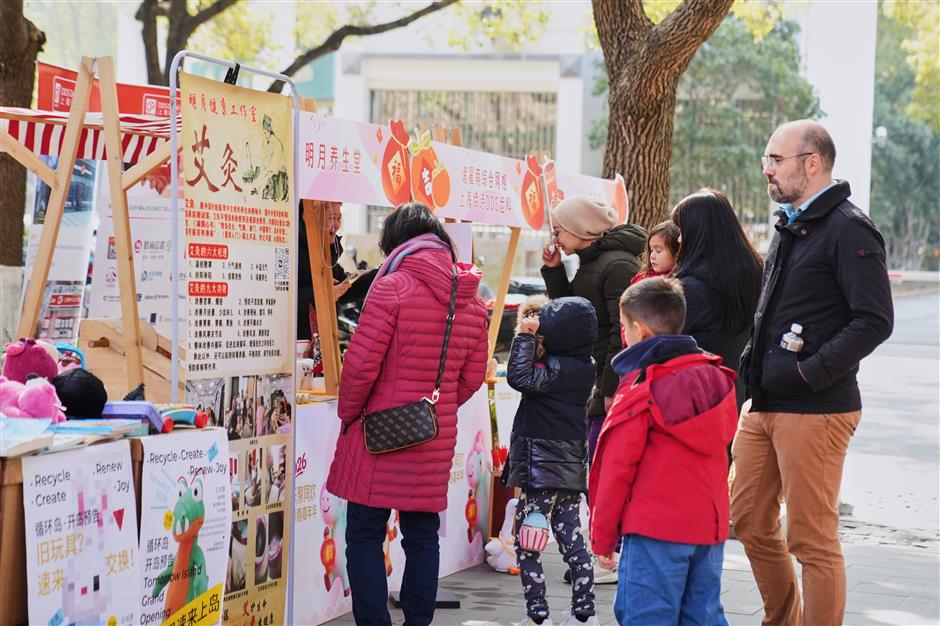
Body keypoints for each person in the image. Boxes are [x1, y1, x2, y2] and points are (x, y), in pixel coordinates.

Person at [732, 120, 894, 626]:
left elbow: (875, 319)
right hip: (764, 404)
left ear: (812, 162)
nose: (766, 169)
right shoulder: (791, 222)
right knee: (749, 521)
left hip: (816, 407)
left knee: (811, 539)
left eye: (775, 159)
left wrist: (810, 373)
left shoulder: (849, 228)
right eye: (767, 158)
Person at [325, 202, 489, 626]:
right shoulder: (471, 301)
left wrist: (349, 412)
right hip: (432, 433)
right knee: (421, 537)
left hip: (378, 432)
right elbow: (471, 379)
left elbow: (360, 366)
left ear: (396, 242)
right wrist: (436, 406)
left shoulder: (392, 286)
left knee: (364, 534)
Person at [589, 277, 737, 626]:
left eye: (624, 326)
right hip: (709, 526)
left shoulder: (643, 389)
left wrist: (603, 536)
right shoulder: (717, 377)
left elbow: (616, 468)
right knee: (702, 618)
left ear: (638, 330)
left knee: (646, 618)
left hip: (655, 528)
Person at [504, 295, 599, 626]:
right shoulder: (586, 367)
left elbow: (519, 377)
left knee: (529, 544)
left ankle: (537, 615)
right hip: (570, 475)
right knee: (573, 542)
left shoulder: (554, 370)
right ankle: (584, 612)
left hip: (540, 475)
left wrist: (526, 337)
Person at [540, 196, 646, 463]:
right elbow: (573, 314)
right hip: (591, 379)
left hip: (605, 383)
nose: (555, 239)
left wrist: (609, 389)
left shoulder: (617, 265)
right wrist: (554, 271)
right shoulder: (591, 261)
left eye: (558, 231)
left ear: (580, 228)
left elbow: (620, 334)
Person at [670, 189, 763, 410]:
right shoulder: (753, 274)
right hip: (735, 394)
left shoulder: (689, 289)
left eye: (682, 231)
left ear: (698, 233)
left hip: (692, 400)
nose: (679, 239)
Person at [296, 200, 377, 343]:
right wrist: (323, 294)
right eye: (331, 218)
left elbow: (347, 288)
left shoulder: (326, 255)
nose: (337, 225)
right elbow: (285, 301)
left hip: (322, 345)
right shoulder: (293, 250)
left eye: (339, 218)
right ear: (308, 217)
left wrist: (380, 273)